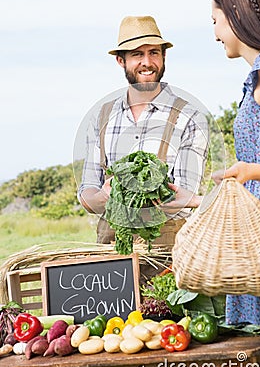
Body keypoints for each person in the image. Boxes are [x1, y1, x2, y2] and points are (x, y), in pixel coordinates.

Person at [167, 0, 260, 367]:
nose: (215, 34)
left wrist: (250, 170)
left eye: (215, 20)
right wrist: (199, 198)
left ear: (237, 15)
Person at [77, 15, 209, 249]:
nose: (147, 62)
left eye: (154, 53)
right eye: (137, 54)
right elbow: (87, 192)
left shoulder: (189, 117)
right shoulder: (101, 117)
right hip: (112, 245)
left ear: (164, 56)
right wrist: (104, 197)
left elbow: (185, 194)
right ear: (121, 61)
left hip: (167, 246)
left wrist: (149, 193)